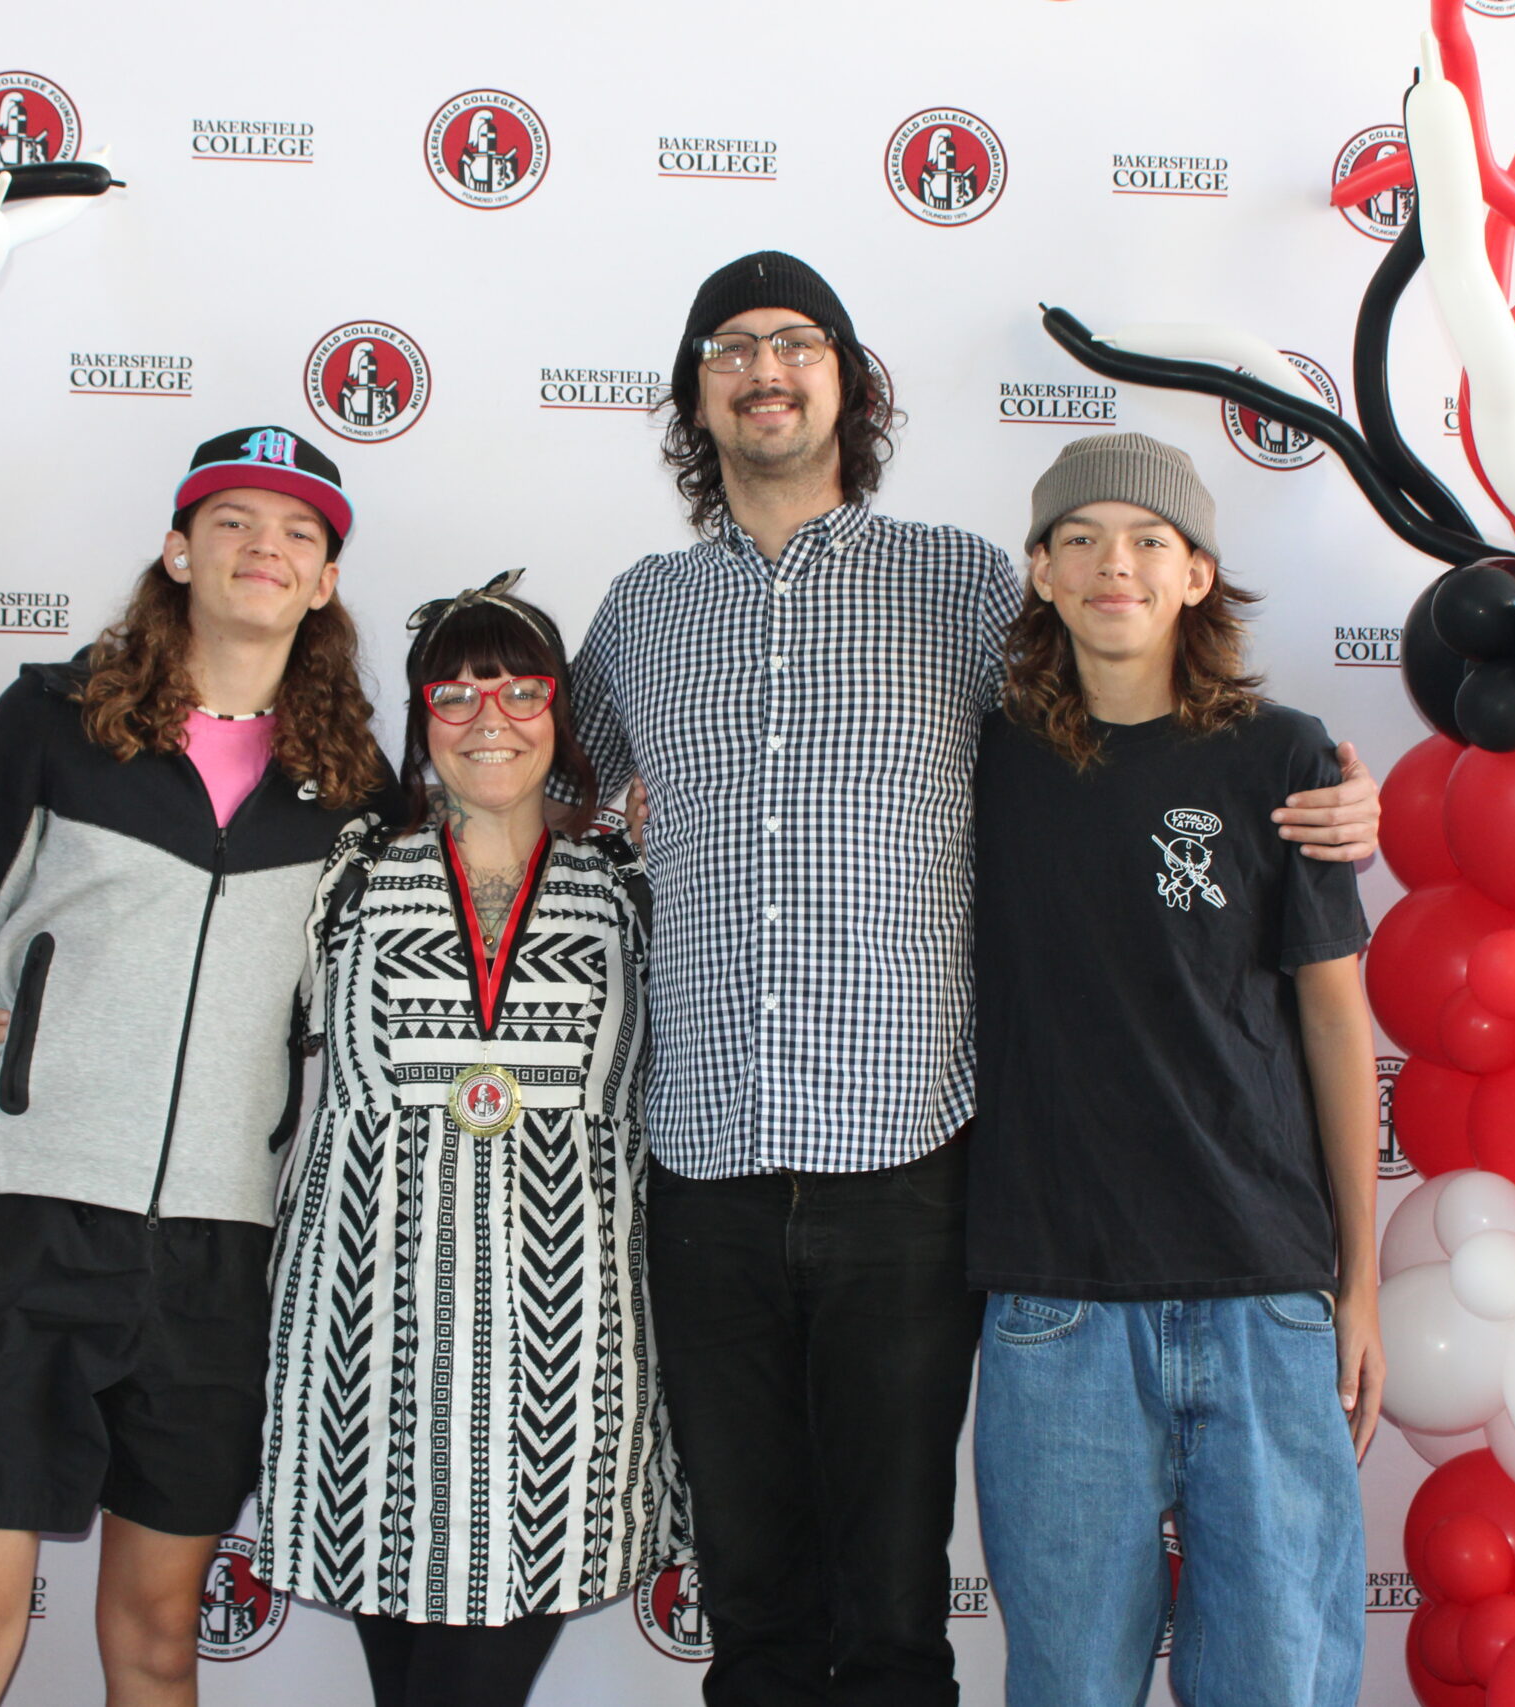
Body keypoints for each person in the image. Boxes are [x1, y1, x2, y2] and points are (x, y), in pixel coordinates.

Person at [564, 251, 1382, 1706]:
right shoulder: (636, 614)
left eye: (797, 342)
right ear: (697, 392)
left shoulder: (954, 584)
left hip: (907, 1170)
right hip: (700, 1171)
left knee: (891, 1611)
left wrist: (1321, 793)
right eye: (732, 347)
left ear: (848, 383)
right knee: (750, 1597)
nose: (766, 367)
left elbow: (1134, 720)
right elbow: (555, 798)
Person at [0, 425, 389, 1707]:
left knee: (158, 1642)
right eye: (233, 521)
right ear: (177, 548)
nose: (265, 547)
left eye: (299, 534)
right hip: (22, 1229)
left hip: (222, 1258)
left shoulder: (355, 791)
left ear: (324, 583)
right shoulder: (54, 721)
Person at [967, 434, 1382, 1707]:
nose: (1115, 563)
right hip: (1055, 1304)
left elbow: (1333, 1025)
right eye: (1080, 537)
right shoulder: (974, 763)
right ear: (1038, 571)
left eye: (1150, 539)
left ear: (1198, 575)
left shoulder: (1284, 759)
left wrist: (1354, 1290)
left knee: (1279, 1682)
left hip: (1262, 1291)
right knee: (1068, 1684)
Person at [255, 572, 684, 1707]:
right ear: (418, 719)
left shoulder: (635, 882)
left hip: (565, 1362)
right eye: (454, 696)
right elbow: (208, 1009)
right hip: (362, 1351)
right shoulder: (342, 870)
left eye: (520, 691)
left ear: (562, 713)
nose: (488, 721)